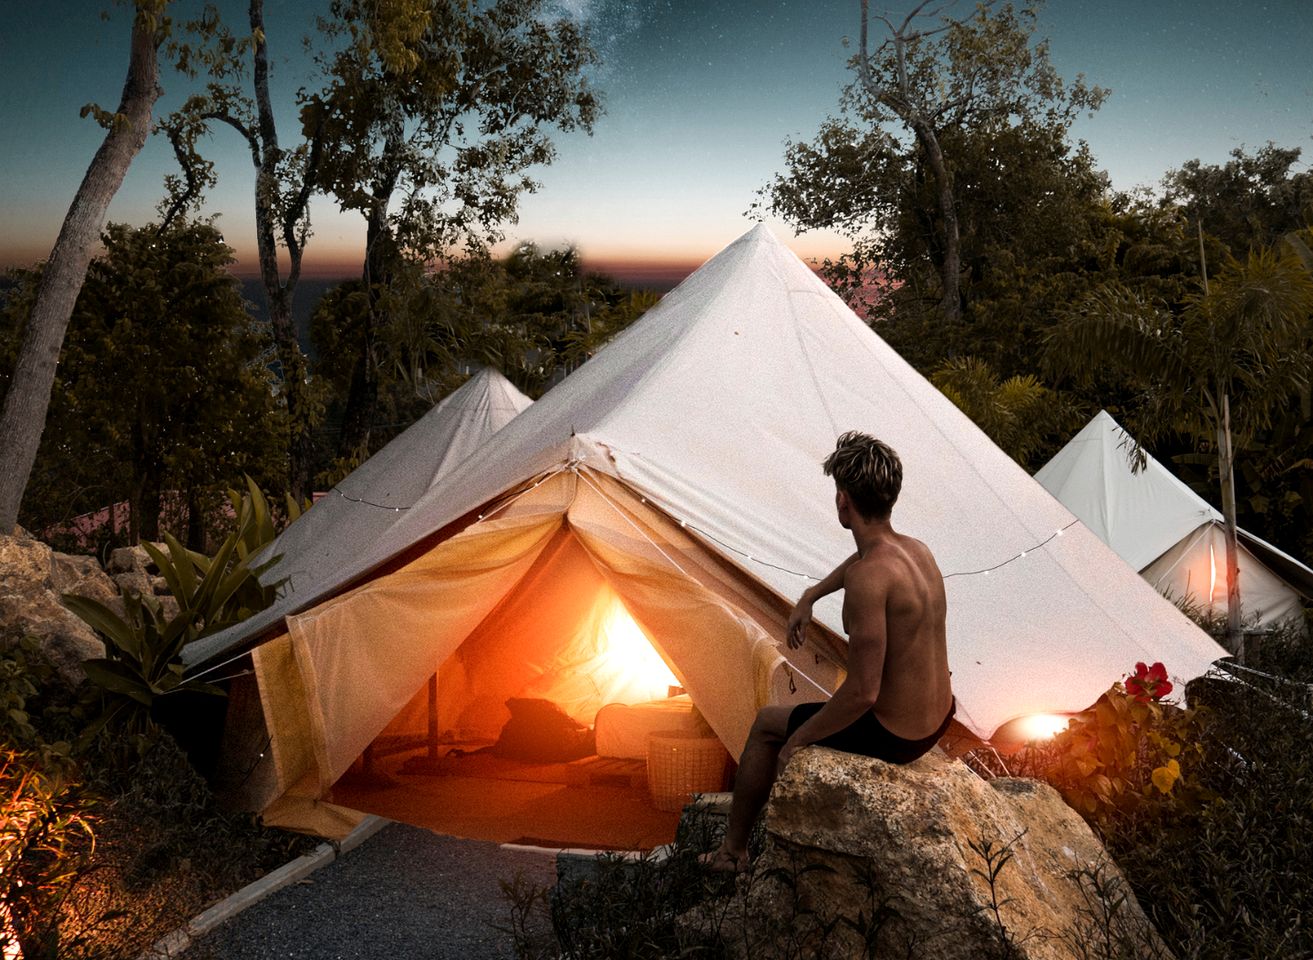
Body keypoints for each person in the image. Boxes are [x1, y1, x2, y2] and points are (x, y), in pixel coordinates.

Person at [701, 431, 955, 873]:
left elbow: (862, 693)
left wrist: (797, 742)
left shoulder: (868, 580)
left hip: (898, 736)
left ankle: (732, 854)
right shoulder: (917, 551)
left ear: (843, 501)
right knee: (805, 714)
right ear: (889, 496)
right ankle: (736, 850)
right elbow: (862, 561)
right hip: (939, 718)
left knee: (767, 725)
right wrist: (812, 594)